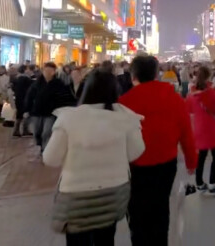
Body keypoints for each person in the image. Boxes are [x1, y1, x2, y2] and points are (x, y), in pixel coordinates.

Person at [44, 70, 145, 246]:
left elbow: (51, 158)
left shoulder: (69, 118)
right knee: (106, 238)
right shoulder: (125, 117)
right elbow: (136, 151)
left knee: (77, 240)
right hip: (113, 193)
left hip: (76, 196)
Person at [118, 55, 197, 246]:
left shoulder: (123, 103)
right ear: (157, 74)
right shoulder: (174, 98)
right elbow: (186, 133)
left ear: (133, 75)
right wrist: (191, 161)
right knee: (161, 208)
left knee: (137, 212)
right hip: (166, 164)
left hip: (134, 166)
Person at [186, 66, 215, 197]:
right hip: (211, 128)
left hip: (198, 128)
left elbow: (189, 109)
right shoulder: (211, 92)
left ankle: (199, 183)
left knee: (202, 156)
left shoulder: (191, 94)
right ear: (209, 77)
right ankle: (213, 184)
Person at [31, 62, 78, 156]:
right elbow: (30, 95)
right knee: (36, 132)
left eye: (50, 71)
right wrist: (26, 109)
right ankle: (40, 143)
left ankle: (45, 150)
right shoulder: (37, 82)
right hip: (37, 111)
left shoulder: (58, 83)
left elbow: (64, 97)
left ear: (54, 72)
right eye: (46, 70)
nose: (47, 73)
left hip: (51, 112)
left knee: (47, 132)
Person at [11, 65, 34, 138]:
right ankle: (24, 130)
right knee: (26, 114)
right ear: (25, 70)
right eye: (28, 69)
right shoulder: (25, 79)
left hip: (18, 98)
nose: (29, 70)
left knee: (19, 114)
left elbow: (13, 88)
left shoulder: (16, 78)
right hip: (25, 99)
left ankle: (17, 130)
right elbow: (32, 87)